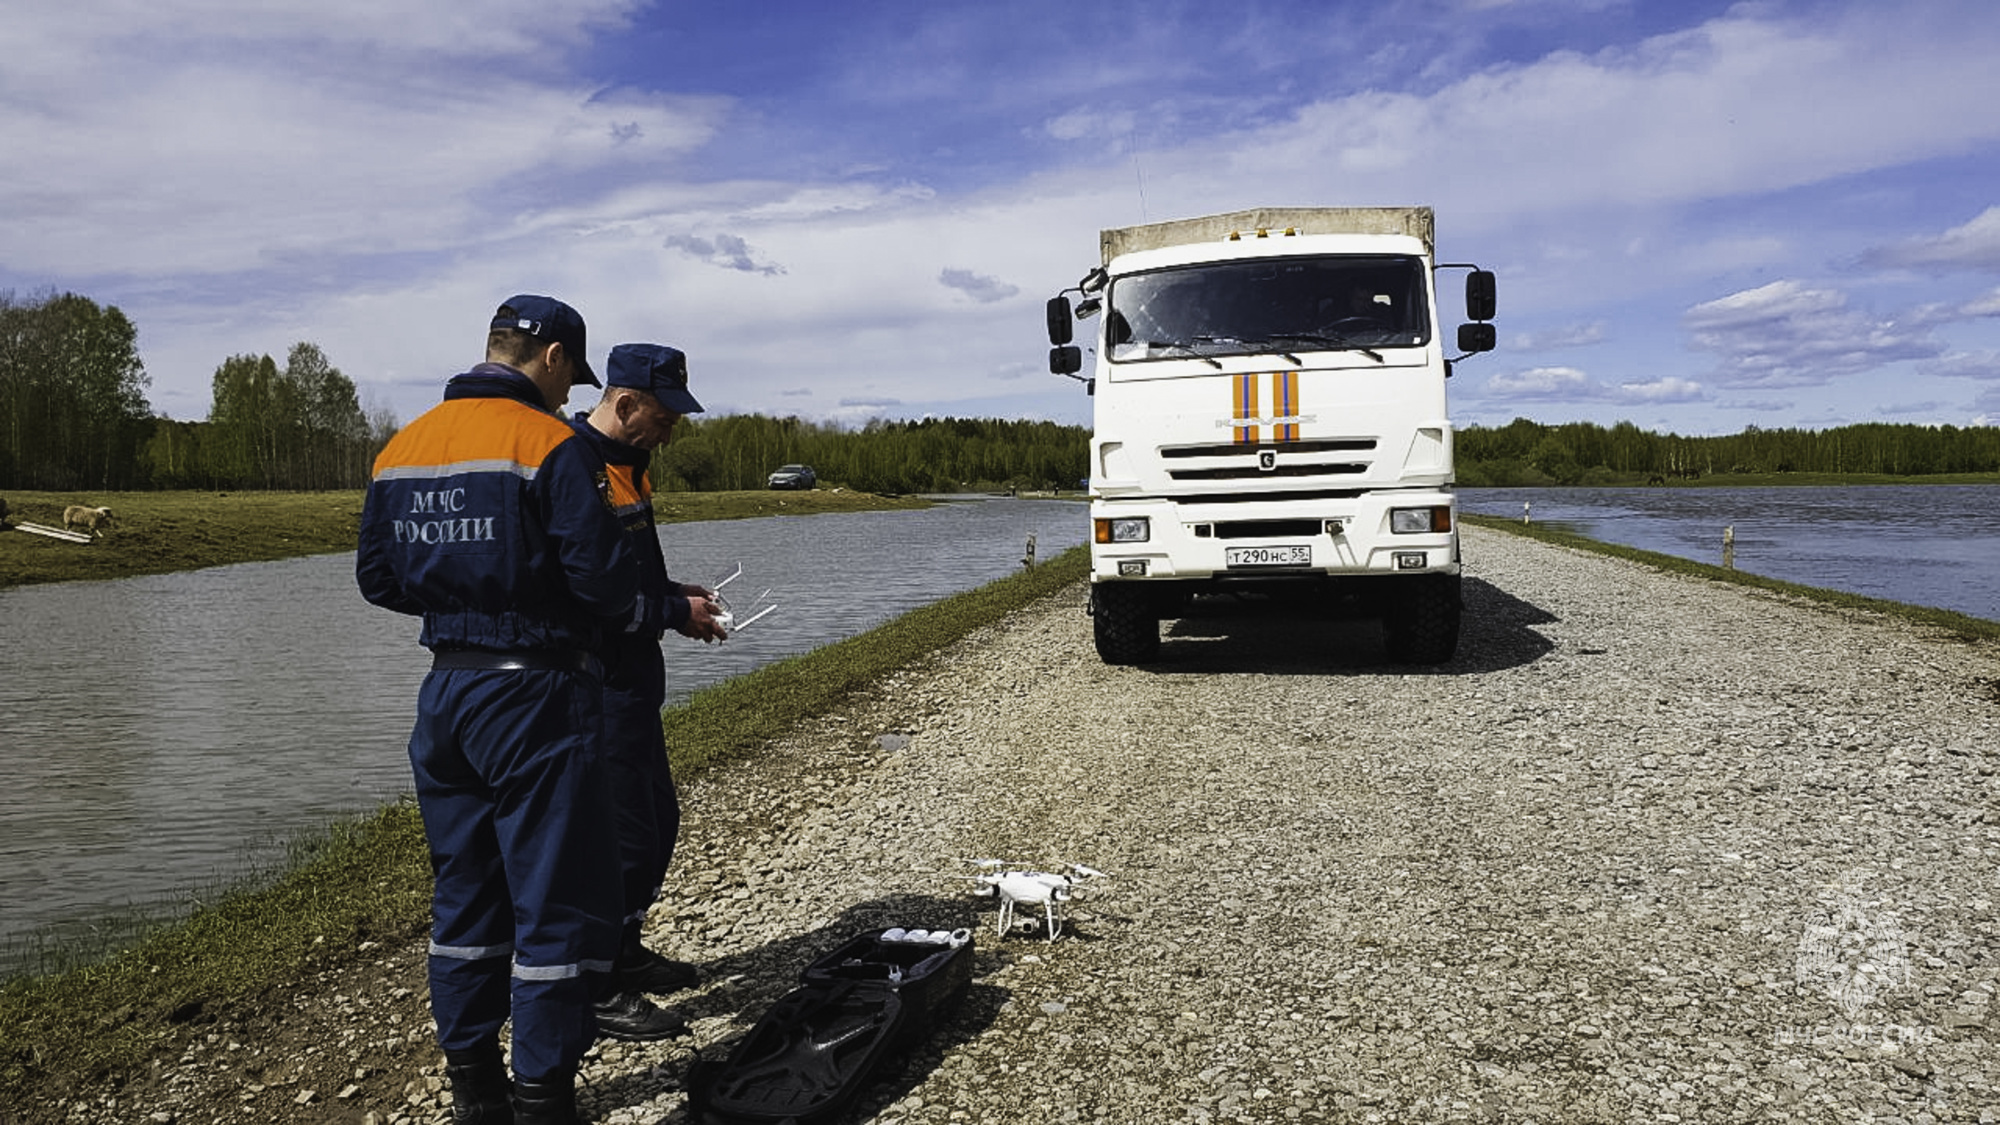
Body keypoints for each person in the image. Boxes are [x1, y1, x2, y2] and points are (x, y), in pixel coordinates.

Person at [357, 295, 639, 1125]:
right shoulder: (551, 444)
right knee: (552, 896)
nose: (567, 393)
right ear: (549, 356)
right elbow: (605, 583)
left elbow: (377, 580)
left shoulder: (402, 446)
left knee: (465, 894)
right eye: (568, 375)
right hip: (538, 691)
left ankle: (474, 1088)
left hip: (446, 690)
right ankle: (545, 1097)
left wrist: (461, 601)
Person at [567, 343, 727, 1039]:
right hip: (594, 685)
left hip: (634, 682)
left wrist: (672, 593)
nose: (670, 432)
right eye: (662, 418)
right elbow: (587, 589)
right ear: (625, 401)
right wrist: (670, 614)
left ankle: (624, 951)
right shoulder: (575, 465)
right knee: (621, 836)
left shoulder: (631, 466)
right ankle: (595, 985)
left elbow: (627, 570)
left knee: (655, 823)